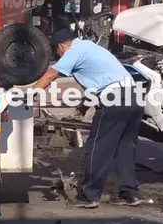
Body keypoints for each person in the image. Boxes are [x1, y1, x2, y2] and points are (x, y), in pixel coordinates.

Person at [31, 28, 144, 209]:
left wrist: (31, 94)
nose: (60, 57)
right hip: (134, 96)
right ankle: (130, 194)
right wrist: (81, 108)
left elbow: (52, 74)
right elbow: (101, 80)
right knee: (125, 148)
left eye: (59, 54)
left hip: (115, 100)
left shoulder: (74, 50)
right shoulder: (92, 48)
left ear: (61, 47)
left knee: (98, 148)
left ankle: (89, 196)